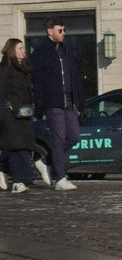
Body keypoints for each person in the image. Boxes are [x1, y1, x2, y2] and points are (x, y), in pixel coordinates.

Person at [30, 17, 85, 190]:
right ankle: (60, 178)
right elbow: (37, 80)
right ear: (49, 31)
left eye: (64, 30)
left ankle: (45, 160)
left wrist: (80, 99)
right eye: (60, 30)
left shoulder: (66, 50)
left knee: (74, 136)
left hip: (69, 100)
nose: (63, 34)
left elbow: (74, 75)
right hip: (53, 101)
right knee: (59, 138)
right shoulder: (40, 52)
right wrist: (39, 104)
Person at [0, 38, 48, 193]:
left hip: (24, 113)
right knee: (16, 147)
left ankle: (9, 173)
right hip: (9, 114)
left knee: (25, 146)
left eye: (23, 48)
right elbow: (3, 92)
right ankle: (17, 181)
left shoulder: (24, 68)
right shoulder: (5, 69)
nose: (23, 51)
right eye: (20, 48)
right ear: (11, 50)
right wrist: (9, 107)